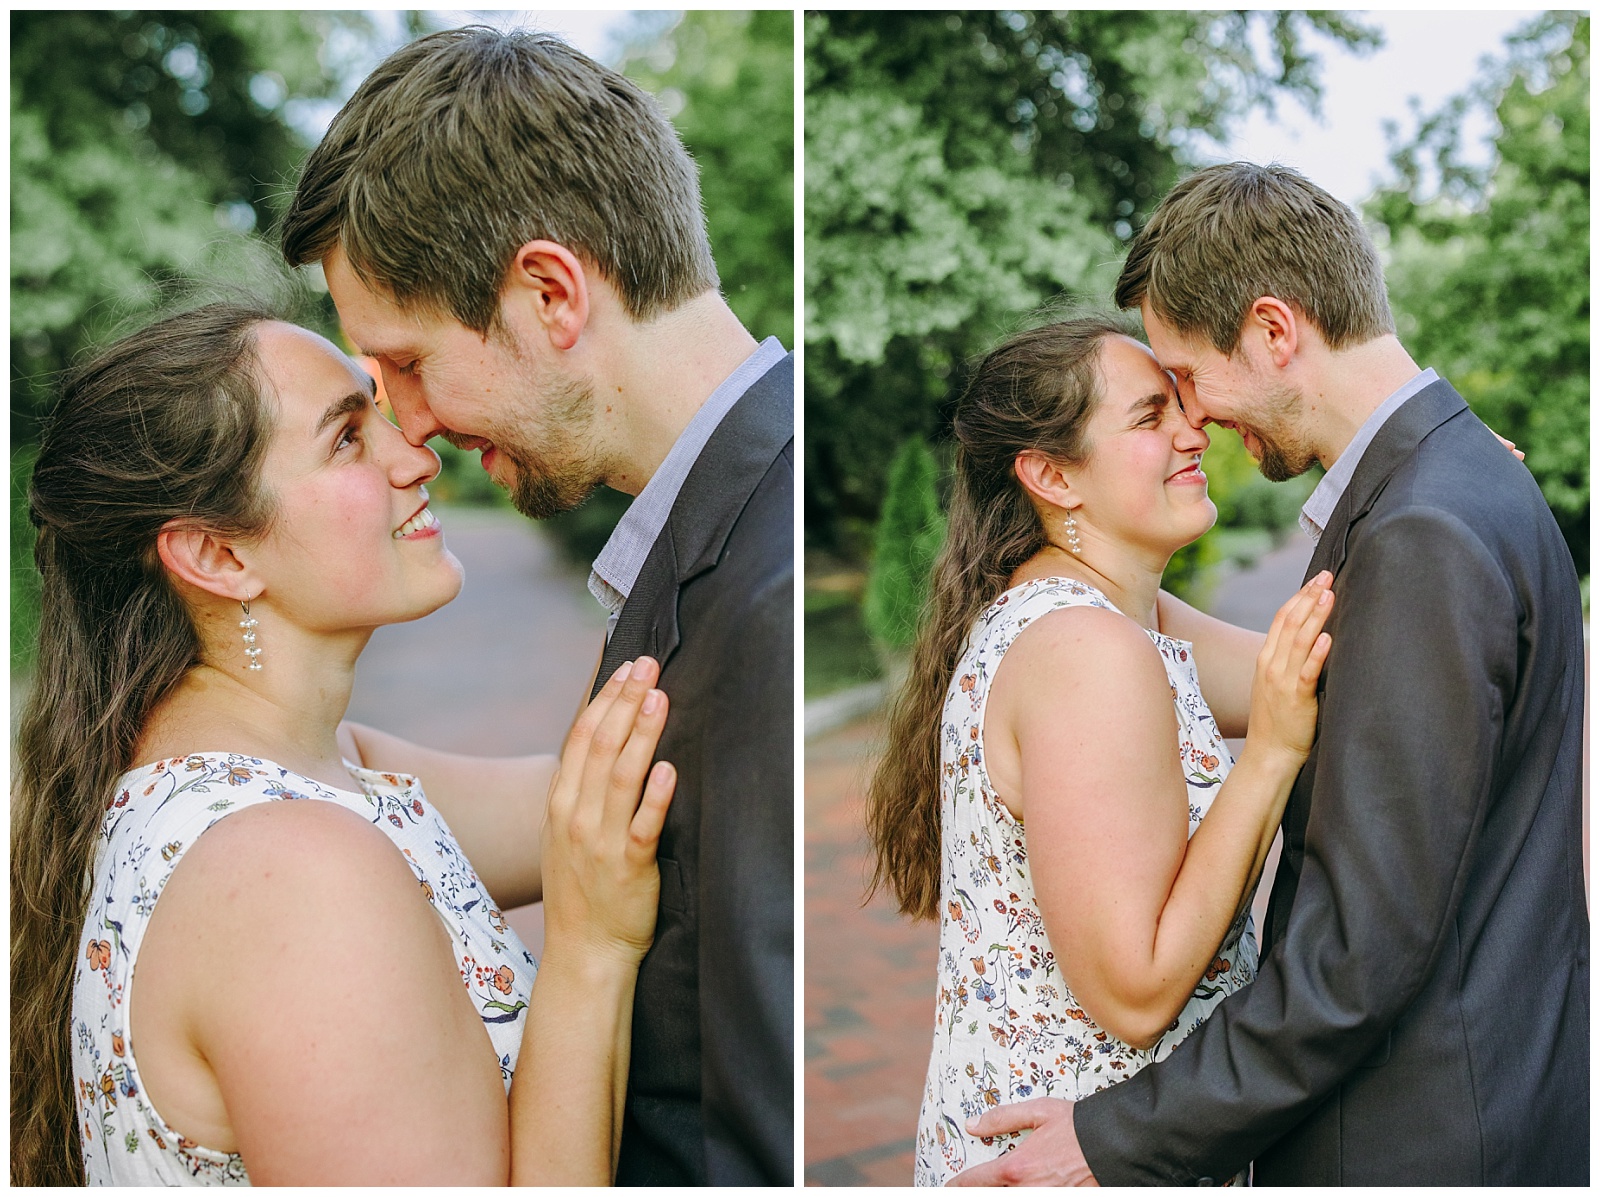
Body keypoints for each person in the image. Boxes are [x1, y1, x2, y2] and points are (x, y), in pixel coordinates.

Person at [955, 163, 1588, 1185]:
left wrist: (1118, 1136)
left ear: (1274, 332)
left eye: (1188, 377)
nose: (1193, 421)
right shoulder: (1450, 489)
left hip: (1418, 1134)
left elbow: (1354, 959)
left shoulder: (1425, 525)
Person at [278, 27, 793, 1186]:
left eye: (406, 363)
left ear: (550, 293)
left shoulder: (768, 595)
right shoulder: (711, 534)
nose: (408, 428)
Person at [10, 304, 681, 1185]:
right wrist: (590, 956)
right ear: (216, 553)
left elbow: (599, 799)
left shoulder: (322, 775)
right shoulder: (291, 874)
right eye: (347, 439)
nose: (416, 455)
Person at [865, 314, 1336, 1186]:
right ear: (1051, 475)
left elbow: (1321, 663)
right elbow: (1136, 991)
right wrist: (1268, 758)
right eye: (1151, 416)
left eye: (1183, 407)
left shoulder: (1109, 615)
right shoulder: (1087, 652)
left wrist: (1424, 470)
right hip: (1077, 1153)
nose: (1193, 431)